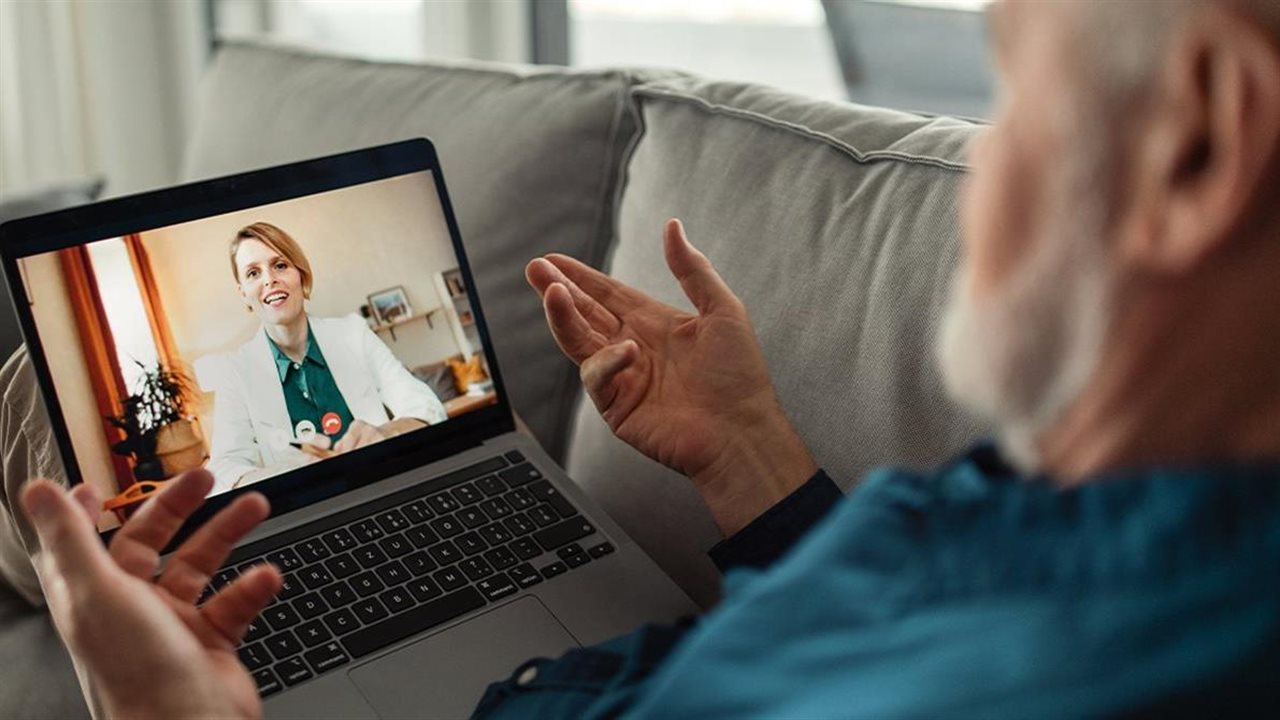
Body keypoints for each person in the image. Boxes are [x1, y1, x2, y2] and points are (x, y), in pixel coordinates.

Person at [16, 0, 1280, 716]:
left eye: (1012, 91)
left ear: (1198, 148)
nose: (978, 165)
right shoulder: (1061, 497)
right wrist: (752, 459)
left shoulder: (1061, 678)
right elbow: (858, 619)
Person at [206, 222, 447, 493]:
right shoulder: (236, 371)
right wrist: (284, 474)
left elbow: (425, 406)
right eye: (253, 273)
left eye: (280, 265)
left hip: (384, 486)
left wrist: (386, 434)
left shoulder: (354, 333)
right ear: (244, 294)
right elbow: (224, 469)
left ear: (301, 274)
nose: (268, 280)